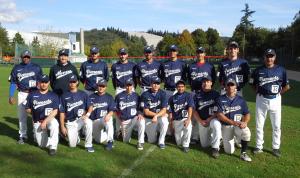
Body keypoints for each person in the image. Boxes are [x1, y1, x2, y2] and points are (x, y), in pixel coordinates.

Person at [250, 49, 290, 157]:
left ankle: (276, 148)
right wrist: (258, 92)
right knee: (259, 125)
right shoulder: (258, 70)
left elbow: (287, 86)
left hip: (276, 99)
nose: (269, 58)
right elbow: (252, 84)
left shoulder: (281, 70)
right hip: (261, 99)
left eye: (271, 56)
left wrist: (278, 94)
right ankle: (259, 146)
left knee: (276, 126)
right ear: (264, 57)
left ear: (275, 57)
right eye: (267, 56)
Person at [8, 50, 43, 144]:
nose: (26, 58)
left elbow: (41, 81)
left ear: (30, 57)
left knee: (36, 116)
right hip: (22, 94)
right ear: (21, 57)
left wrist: (40, 90)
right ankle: (22, 135)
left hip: (34, 93)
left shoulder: (36, 67)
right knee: (22, 116)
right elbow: (13, 82)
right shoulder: (16, 68)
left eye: (27, 57)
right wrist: (11, 95)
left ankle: (36, 135)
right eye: (24, 57)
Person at [215, 78, 252, 162]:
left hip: (238, 125)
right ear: (225, 87)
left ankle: (243, 153)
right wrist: (232, 122)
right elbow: (219, 115)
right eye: (228, 85)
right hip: (226, 126)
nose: (230, 87)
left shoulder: (241, 100)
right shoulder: (220, 99)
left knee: (246, 132)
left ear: (236, 87)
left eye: (232, 85)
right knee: (229, 151)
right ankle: (227, 139)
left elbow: (247, 113)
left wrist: (245, 122)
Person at [23, 74, 59, 156]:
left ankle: (53, 147)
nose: (44, 84)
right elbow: (27, 107)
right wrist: (33, 112)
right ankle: (51, 138)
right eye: (42, 82)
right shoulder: (32, 94)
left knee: (54, 124)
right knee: (41, 145)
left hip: (49, 119)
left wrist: (45, 122)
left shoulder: (53, 95)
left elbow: (55, 111)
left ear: (49, 83)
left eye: (46, 82)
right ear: (39, 83)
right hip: (38, 121)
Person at [188, 47, 216, 144]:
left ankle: (208, 136)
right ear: (196, 54)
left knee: (205, 112)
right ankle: (194, 137)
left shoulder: (210, 66)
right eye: (198, 52)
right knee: (193, 114)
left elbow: (213, 80)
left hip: (205, 92)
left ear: (204, 54)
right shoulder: (191, 66)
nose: (200, 54)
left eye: (202, 53)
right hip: (194, 92)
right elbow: (189, 79)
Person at [59, 75, 94, 152]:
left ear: (77, 82)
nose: (72, 83)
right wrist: (62, 127)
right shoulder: (64, 96)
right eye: (71, 82)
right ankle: (75, 137)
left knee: (89, 122)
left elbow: (90, 106)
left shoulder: (83, 94)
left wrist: (87, 115)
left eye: (74, 82)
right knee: (72, 145)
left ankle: (89, 145)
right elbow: (62, 112)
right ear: (68, 83)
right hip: (70, 122)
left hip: (80, 119)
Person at [193, 76, 221, 158]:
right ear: (202, 83)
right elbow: (194, 111)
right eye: (204, 82)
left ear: (211, 83)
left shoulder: (216, 94)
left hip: (212, 118)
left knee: (216, 124)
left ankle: (215, 148)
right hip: (202, 121)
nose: (206, 83)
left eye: (208, 82)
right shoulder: (197, 95)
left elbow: (218, 110)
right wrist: (200, 121)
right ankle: (216, 139)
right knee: (204, 145)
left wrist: (210, 118)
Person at [115, 79, 145, 150]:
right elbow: (115, 109)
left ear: (133, 86)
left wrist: (140, 114)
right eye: (127, 85)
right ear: (125, 86)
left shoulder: (136, 96)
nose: (129, 87)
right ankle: (120, 132)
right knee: (125, 140)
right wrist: (120, 118)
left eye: (130, 85)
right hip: (125, 120)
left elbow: (140, 107)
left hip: (134, 118)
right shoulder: (119, 96)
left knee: (142, 121)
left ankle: (140, 142)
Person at [140, 77, 169, 149]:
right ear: (151, 84)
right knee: (151, 141)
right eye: (154, 83)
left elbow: (164, 109)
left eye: (158, 83)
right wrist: (155, 115)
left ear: (160, 85)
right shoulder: (145, 94)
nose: (156, 85)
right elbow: (146, 112)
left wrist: (156, 116)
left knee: (165, 122)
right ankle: (152, 134)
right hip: (149, 118)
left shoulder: (163, 93)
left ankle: (161, 141)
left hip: (159, 116)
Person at [89, 79, 116, 151]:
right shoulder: (91, 96)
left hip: (104, 118)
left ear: (106, 87)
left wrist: (109, 115)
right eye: (99, 86)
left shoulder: (109, 97)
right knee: (98, 140)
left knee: (109, 121)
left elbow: (112, 110)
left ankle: (110, 141)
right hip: (95, 121)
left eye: (103, 86)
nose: (101, 88)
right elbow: (87, 109)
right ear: (97, 86)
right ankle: (107, 133)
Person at [168, 80, 194, 153]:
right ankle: (179, 138)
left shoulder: (188, 95)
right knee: (178, 142)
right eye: (179, 87)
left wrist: (189, 119)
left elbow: (190, 107)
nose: (180, 88)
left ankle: (186, 145)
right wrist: (171, 122)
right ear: (176, 88)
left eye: (182, 87)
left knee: (188, 128)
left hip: (185, 118)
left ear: (185, 87)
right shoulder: (172, 98)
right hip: (176, 119)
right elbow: (170, 111)